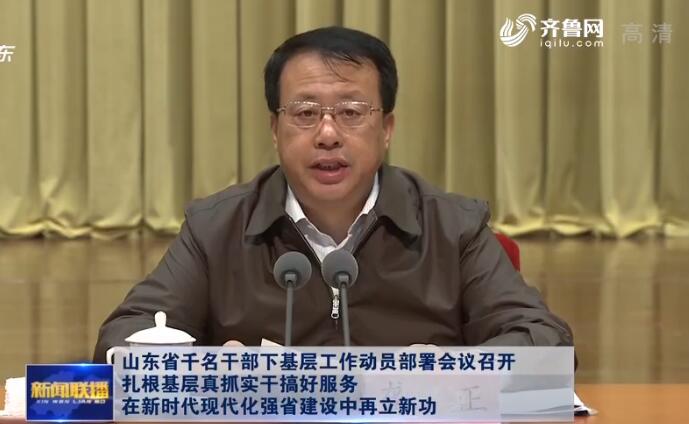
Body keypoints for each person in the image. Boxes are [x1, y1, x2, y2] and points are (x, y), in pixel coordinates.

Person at [93, 26, 573, 362]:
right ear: (275, 129)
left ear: (387, 128)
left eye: (351, 112)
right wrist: (212, 370)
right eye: (305, 113)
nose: (327, 135)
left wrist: (443, 371)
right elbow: (124, 335)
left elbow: (544, 340)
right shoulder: (216, 227)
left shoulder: (453, 227)